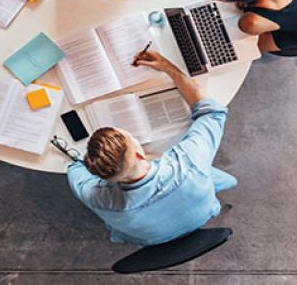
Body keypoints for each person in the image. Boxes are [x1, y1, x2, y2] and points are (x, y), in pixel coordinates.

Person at [67, 50, 236, 246]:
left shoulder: (96, 197)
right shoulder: (188, 162)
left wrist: (90, 160)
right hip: (203, 213)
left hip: (150, 240)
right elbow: (212, 112)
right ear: (140, 153)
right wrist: (167, 67)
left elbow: (74, 169)